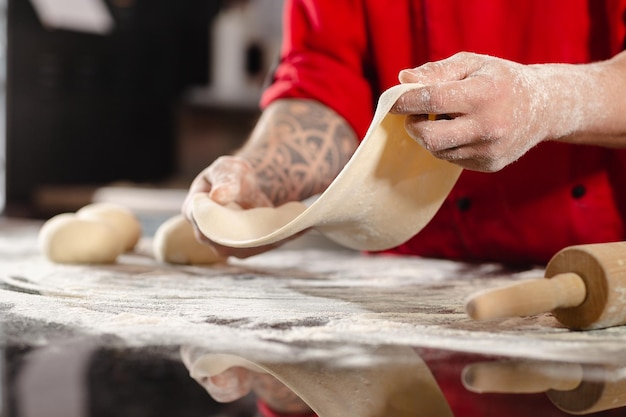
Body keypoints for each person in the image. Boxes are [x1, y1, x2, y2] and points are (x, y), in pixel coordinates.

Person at [183, 0, 626, 268]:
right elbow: (324, 78)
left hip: (592, 274)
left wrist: (545, 101)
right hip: (403, 287)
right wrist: (262, 173)